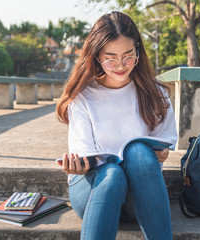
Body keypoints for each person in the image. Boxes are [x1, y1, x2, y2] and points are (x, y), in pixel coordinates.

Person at [56, 11, 177, 240]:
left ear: (138, 51)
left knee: (138, 151)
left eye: (128, 56)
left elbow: (164, 141)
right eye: (110, 57)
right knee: (111, 173)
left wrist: (160, 153)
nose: (120, 65)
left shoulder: (156, 93)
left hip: (139, 195)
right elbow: (84, 152)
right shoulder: (82, 97)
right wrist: (79, 166)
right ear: (96, 57)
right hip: (93, 189)